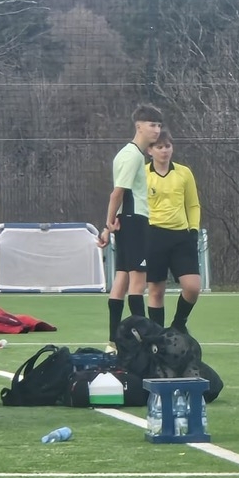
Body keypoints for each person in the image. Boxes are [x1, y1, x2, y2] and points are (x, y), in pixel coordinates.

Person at [98, 105, 163, 342]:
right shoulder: (133, 155)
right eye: (152, 125)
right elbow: (117, 193)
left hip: (128, 220)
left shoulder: (129, 153)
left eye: (159, 125)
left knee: (121, 280)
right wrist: (108, 224)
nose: (156, 130)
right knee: (137, 283)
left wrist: (111, 224)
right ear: (138, 126)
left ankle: (113, 340)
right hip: (134, 221)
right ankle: (143, 340)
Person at [144, 129, 202, 331]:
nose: (164, 151)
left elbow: (193, 205)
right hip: (153, 236)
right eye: (159, 147)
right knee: (156, 291)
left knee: (192, 287)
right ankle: (157, 335)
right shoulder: (142, 174)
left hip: (181, 237)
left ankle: (178, 325)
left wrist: (193, 230)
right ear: (150, 150)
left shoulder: (184, 173)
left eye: (167, 146)